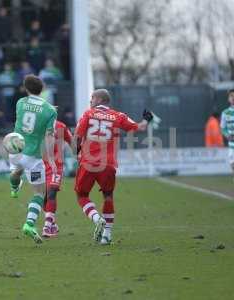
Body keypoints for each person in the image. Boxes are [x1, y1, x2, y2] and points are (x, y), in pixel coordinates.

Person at [74, 89, 153, 245]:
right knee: (108, 196)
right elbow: (140, 128)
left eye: (92, 98)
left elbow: (77, 136)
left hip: (88, 163)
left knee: (81, 195)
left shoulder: (88, 114)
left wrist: (77, 153)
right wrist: (146, 120)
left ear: (98, 99)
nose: (90, 101)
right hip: (108, 164)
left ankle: (97, 219)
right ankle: (107, 235)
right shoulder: (118, 116)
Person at [9, 75, 57, 244]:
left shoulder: (20, 103)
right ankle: (29, 224)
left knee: (17, 169)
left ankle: (14, 184)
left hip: (15, 149)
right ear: (42, 89)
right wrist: (50, 158)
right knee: (39, 192)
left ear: (26, 88)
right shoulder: (50, 110)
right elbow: (50, 136)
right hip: (33, 157)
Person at [42, 119, 73, 238]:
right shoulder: (38, 124)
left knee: (52, 192)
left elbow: (72, 142)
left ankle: (47, 226)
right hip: (39, 165)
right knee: (43, 197)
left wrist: (79, 155)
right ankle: (52, 223)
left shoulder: (61, 126)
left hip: (56, 165)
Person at [220, 89, 234, 172]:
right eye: (231, 96)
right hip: (232, 145)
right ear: (228, 99)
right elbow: (222, 128)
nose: (233, 97)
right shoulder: (225, 113)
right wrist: (227, 135)